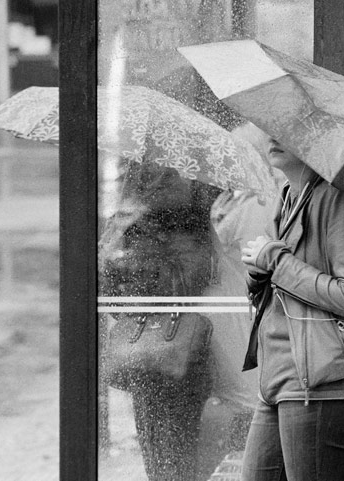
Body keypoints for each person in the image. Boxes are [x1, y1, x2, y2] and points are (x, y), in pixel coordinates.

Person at [100, 164, 256, 481]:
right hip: (165, 349)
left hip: (184, 345)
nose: (154, 185)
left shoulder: (181, 221)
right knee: (168, 443)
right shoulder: (140, 224)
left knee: (175, 445)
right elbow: (113, 290)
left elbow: (183, 279)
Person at [239, 136, 344, 481]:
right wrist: (259, 274)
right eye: (270, 127)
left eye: (288, 130)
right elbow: (279, 288)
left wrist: (277, 262)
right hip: (277, 379)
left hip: (319, 382)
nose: (273, 136)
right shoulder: (286, 198)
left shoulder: (334, 197)